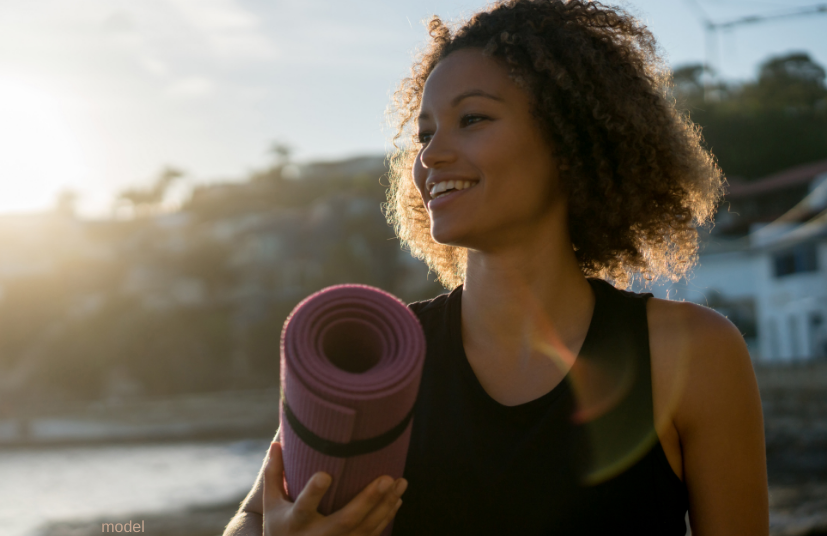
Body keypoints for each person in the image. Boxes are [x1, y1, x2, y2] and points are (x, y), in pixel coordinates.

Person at [223, 0, 768, 534]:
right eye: (425, 132)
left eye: (472, 119)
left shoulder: (694, 354)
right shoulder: (378, 351)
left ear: (567, 138)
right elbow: (254, 517)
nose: (431, 155)